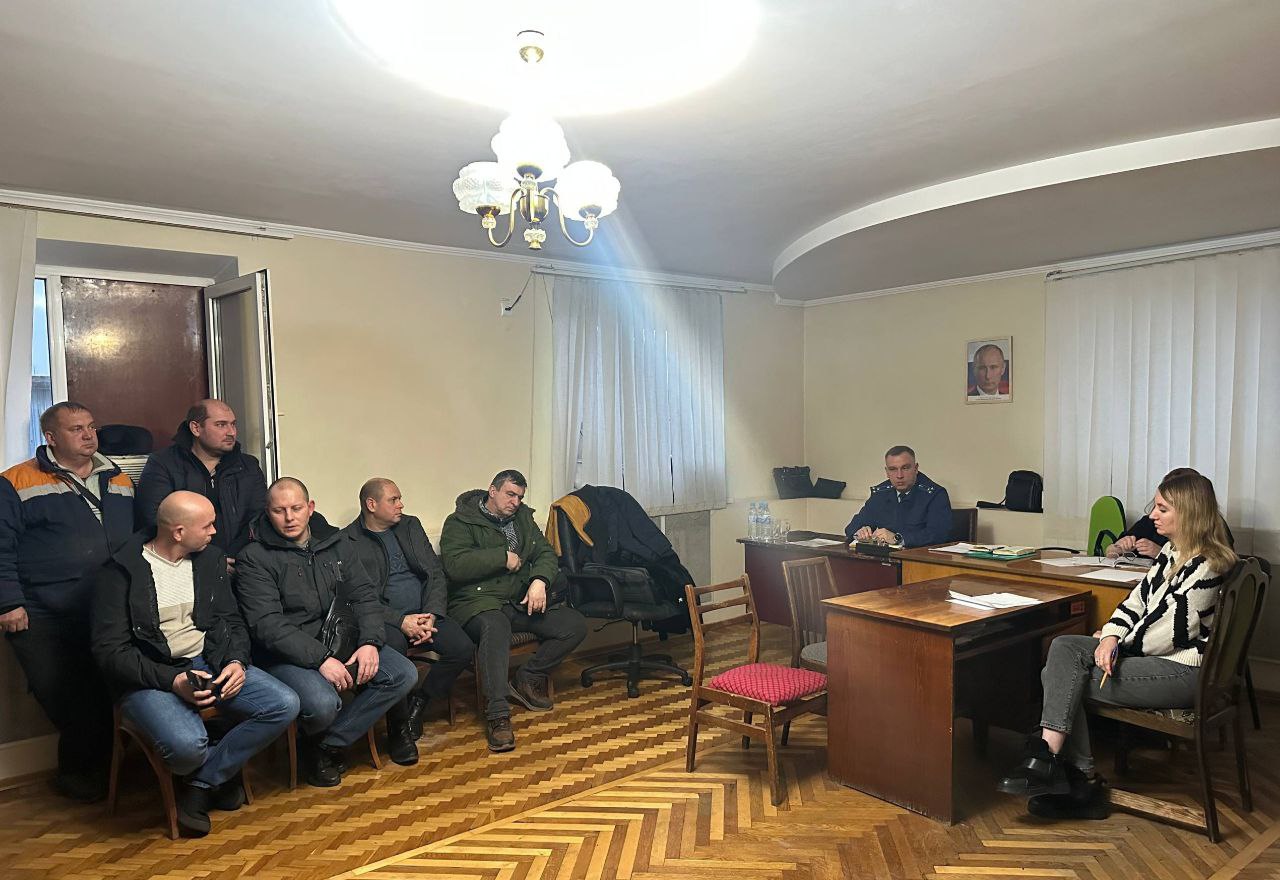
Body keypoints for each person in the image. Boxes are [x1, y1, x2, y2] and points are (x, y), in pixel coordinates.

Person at [998, 471, 1237, 819]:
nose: (1152, 515)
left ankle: (1072, 775)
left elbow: (1172, 633)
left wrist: (1118, 644)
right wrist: (1110, 635)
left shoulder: (1208, 564)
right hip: (1162, 661)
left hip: (1183, 672)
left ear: (1189, 512)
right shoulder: (1173, 551)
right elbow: (1136, 601)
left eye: (1162, 508)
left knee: (1059, 677)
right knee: (1064, 648)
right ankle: (1059, 767)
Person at [89, 491, 298, 836]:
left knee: (283, 704)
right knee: (187, 748)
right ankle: (217, 772)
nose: (215, 532)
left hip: (208, 660)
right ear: (178, 532)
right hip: (150, 673)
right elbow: (111, 652)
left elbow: (231, 621)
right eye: (208, 525)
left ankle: (201, 785)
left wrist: (236, 660)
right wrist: (173, 681)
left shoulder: (209, 559)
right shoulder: (119, 572)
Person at [235, 477, 417, 785]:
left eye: (296, 508)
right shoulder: (254, 557)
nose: (289, 517)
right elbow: (267, 625)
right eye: (279, 511)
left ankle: (325, 744)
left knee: (402, 674)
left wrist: (370, 641)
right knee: (322, 704)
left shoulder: (336, 542)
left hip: (343, 637)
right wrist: (320, 659)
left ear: (310, 508)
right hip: (289, 652)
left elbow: (364, 596)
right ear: (268, 512)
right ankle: (318, 739)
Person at [0, 401, 135, 801]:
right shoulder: (16, 481)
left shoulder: (118, 477)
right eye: (76, 429)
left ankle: (107, 774)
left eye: (91, 426)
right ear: (51, 437)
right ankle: (78, 775)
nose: (89, 435)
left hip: (106, 607)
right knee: (62, 695)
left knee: (104, 689)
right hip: (42, 611)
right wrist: (8, 602)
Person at [439, 470, 587, 752]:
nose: (515, 502)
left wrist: (539, 581)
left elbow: (545, 553)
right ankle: (497, 714)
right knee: (496, 627)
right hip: (477, 603)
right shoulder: (460, 521)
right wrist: (501, 557)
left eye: (519, 497)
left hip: (517, 601)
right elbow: (455, 565)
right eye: (510, 494)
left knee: (573, 624)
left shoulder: (523, 519)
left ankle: (527, 677)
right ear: (492, 491)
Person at [342, 478, 475, 742]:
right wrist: (401, 621)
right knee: (396, 660)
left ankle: (420, 701)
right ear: (371, 504)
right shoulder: (347, 540)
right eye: (394, 500)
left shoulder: (410, 525)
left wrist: (431, 614)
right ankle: (398, 726)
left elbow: (435, 573)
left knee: (462, 648)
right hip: (387, 621)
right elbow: (357, 598)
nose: (401, 505)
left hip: (425, 613)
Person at [135, 400, 267, 562]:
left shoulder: (248, 466)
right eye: (221, 425)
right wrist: (209, 561)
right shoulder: (163, 463)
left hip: (240, 561)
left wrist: (236, 558)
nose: (231, 432)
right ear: (196, 428)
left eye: (233, 424)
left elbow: (258, 518)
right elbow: (156, 521)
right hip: (183, 562)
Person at [1106, 467, 1234, 558]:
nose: (1153, 515)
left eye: (1163, 509)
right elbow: (1110, 551)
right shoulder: (1150, 523)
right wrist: (1118, 548)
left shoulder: (1205, 557)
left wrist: (1161, 554)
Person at [843, 446, 952, 548]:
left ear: (916, 468)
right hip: (884, 557)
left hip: (916, 558)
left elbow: (938, 535)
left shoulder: (935, 495)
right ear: (887, 472)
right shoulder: (881, 493)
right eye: (893, 469)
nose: (899, 475)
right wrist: (859, 532)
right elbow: (851, 527)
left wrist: (898, 539)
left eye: (905, 468)